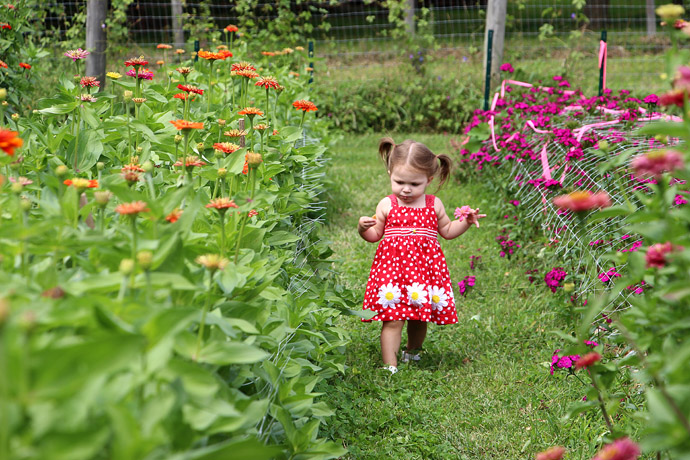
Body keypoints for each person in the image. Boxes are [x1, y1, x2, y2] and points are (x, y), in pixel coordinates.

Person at [357, 137, 485, 374]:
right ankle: (390, 366)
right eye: (399, 182)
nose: (406, 189)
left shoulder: (433, 204)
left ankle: (412, 352)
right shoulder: (386, 204)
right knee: (393, 318)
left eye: (414, 184)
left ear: (428, 180)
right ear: (389, 173)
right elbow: (376, 235)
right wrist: (363, 229)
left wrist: (465, 223)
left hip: (423, 273)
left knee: (418, 317)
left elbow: (447, 231)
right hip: (393, 272)